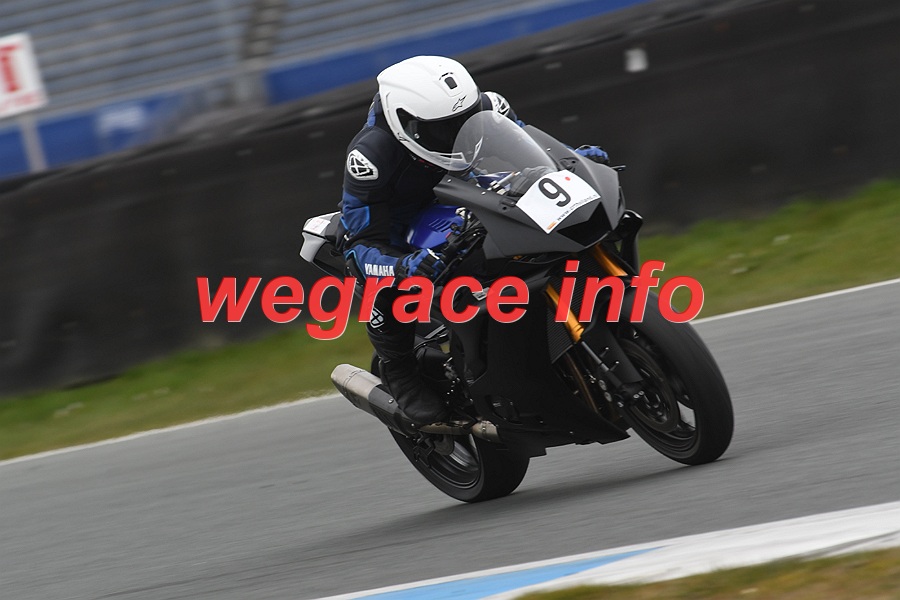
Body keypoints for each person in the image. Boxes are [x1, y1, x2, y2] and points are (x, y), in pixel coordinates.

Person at [337, 55, 608, 426]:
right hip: (399, 225)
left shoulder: (487, 109)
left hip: (467, 192)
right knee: (381, 275)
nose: (455, 133)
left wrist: (572, 162)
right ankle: (399, 370)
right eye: (442, 128)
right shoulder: (370, 155)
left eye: (463, 121)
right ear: (406, 123)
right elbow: (361, 242)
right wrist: (403, 266)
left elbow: (533, 149)